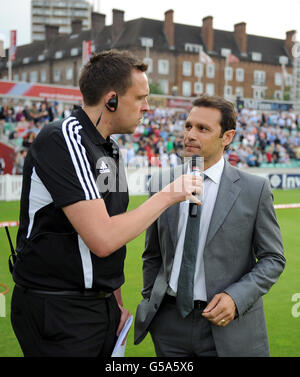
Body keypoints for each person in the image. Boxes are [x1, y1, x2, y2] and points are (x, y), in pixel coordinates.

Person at [10, 50, 202, 357]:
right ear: (111, 100)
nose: (147, 108)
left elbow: (115, 237)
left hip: (99, 307)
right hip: (59, 307)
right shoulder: (63, 137)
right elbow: (102, 238)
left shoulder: (111, 151)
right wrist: (168, 195)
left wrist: (116, 303)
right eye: (140, 98)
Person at [134, 95, 285, 357]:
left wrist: (235, 298)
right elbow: (153, 253)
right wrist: (151, 298)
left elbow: (273, 258)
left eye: (202, 129)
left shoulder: (254, 189)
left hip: (228, 326)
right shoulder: (161, 183)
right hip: (169, 324)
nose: (190, 135)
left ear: (227, 137)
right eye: (189, 126)